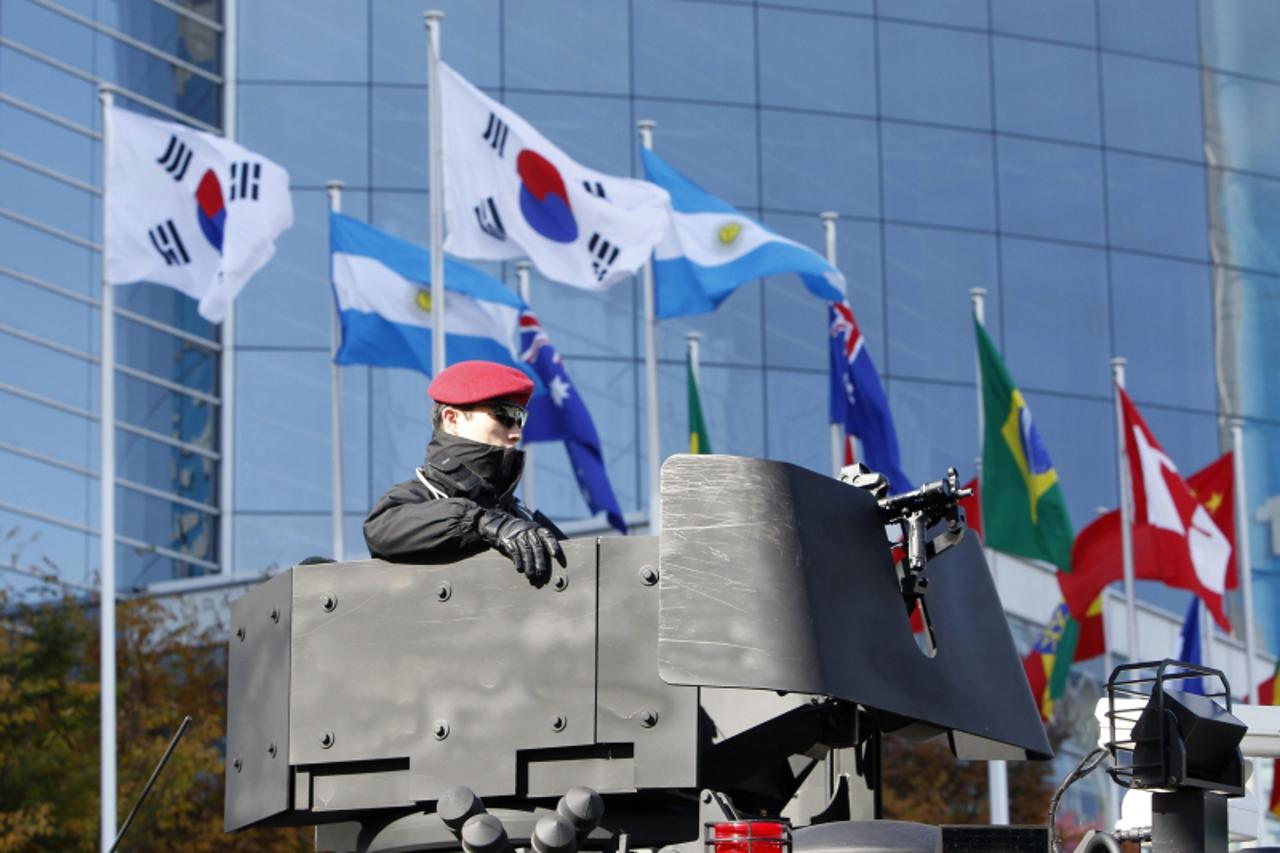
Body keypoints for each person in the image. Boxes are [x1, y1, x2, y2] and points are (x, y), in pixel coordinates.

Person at [363, 360, 565, 584]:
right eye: (505, 415)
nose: (517, 432)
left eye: (520, 419)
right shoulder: (419, 496)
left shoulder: (520, 516)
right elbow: (380, 529)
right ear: (452, 420)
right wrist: (479, 521)